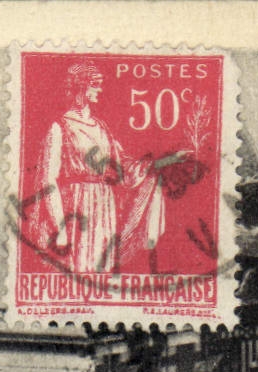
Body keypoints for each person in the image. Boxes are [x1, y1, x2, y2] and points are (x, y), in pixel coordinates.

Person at [28, 61, 175, 275]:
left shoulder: (102, 128)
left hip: (103, 207)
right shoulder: (59, 128)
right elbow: (47, 181)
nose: (100, 89)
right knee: (76, 271)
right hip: (76, 207)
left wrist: (159, 164)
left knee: (101, 273)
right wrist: (59, 228)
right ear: (83, 87)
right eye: (95, 85)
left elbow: (124, 168)